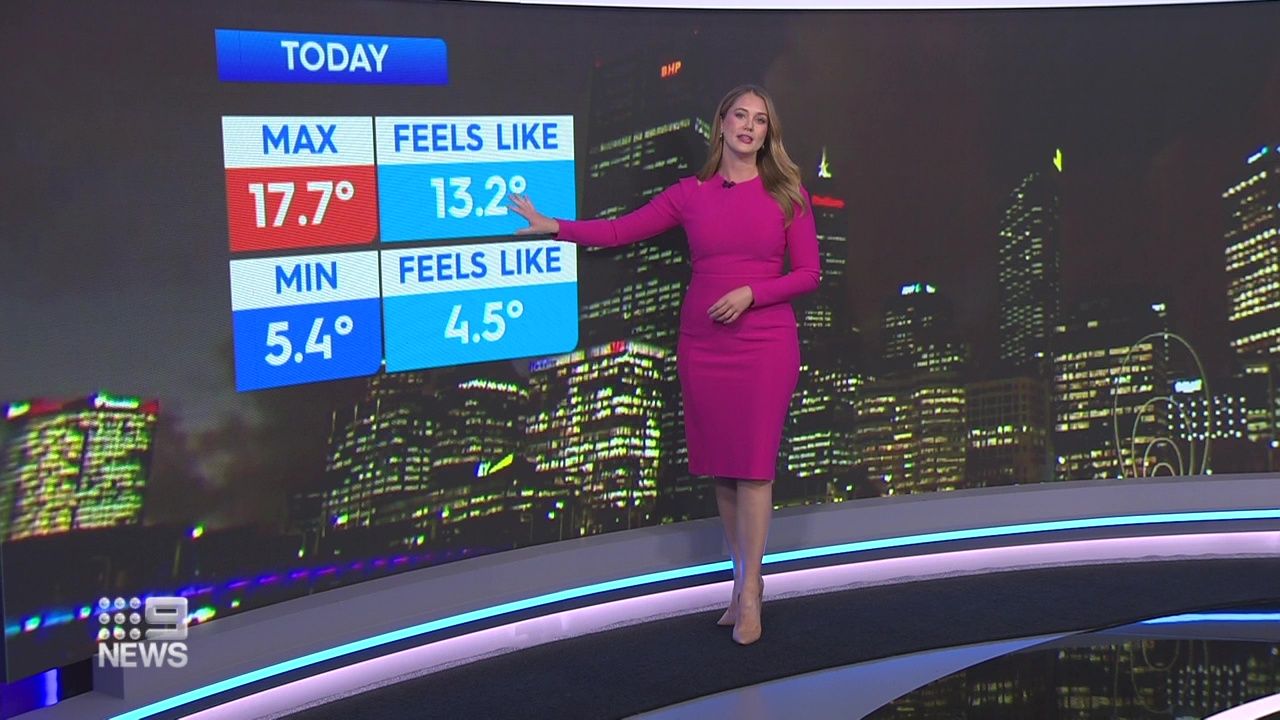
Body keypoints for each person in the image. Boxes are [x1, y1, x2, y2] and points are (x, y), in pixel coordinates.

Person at [510, 84, 820, 645]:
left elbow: (808, 274)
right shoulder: (690, 194)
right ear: (721, 123)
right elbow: (618, 230)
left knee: (754, 468)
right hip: (704, 345)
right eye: (740, 116)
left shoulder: (788, 194)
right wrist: (555, 226)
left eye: (760, 120)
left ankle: (752, 590)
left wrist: (752, 293)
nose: (749, 127)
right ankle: (739, 584)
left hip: (765, 344)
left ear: (768, 133)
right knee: (724, 469)